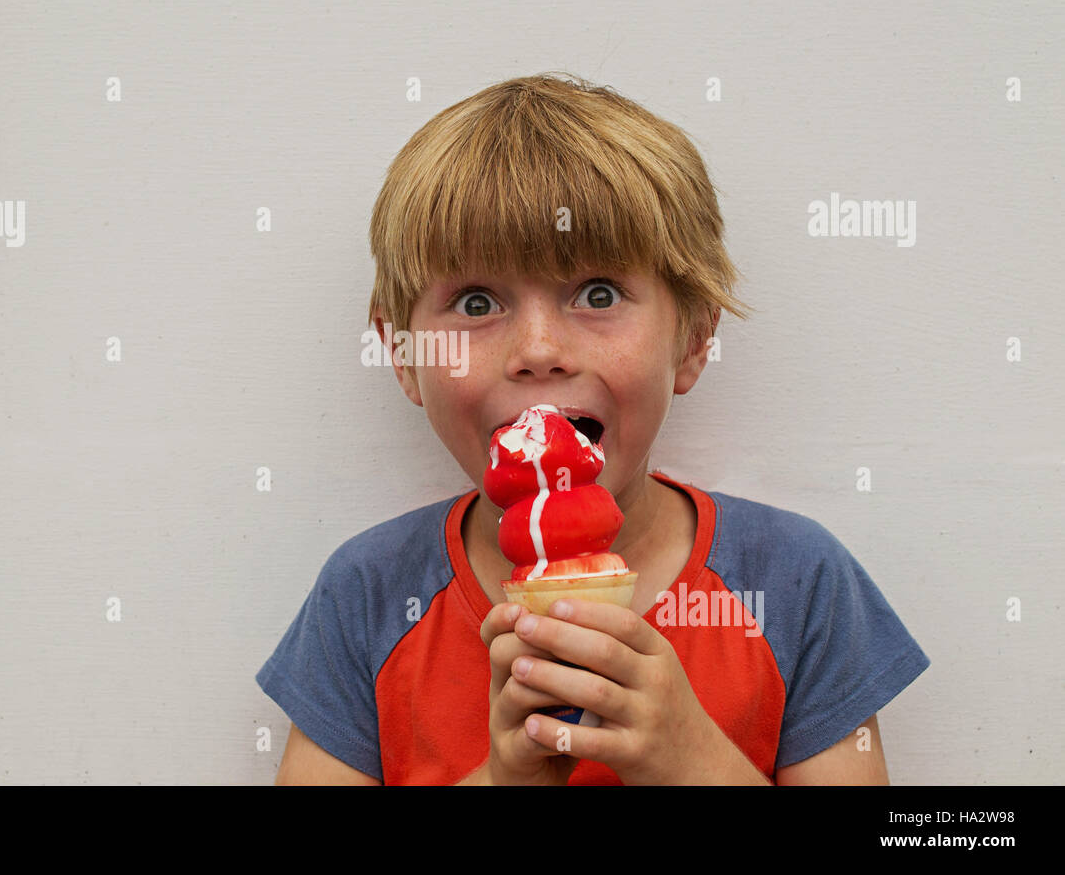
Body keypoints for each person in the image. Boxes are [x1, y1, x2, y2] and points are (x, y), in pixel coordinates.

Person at [256, 72, 930, 785]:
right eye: (477, 302)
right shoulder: (367, 594)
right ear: (403, 354)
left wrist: (691, 761)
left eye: (597, 294)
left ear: (696, 337)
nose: (539, 351)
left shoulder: (797, 581)